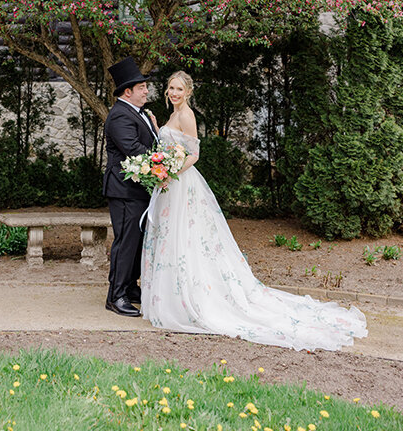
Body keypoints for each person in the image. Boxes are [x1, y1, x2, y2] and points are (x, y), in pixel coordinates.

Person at [141, 71, 368, 351]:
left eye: (179, 89)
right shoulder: (172, 114)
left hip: (180, 183)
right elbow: (169, 145)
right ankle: (169, 298)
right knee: (171, 240)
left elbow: (194, 154)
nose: (174, 93)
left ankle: (190, 299)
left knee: (185, 241)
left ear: (187, 92)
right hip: (169, 186)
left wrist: (171, 172)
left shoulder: (187, 115)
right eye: (171, 88)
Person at [103, 56, 158, 317]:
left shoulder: (138, 113)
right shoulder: (119, 117)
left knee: (137, 242)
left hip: (139, 189)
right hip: (124, 190)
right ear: (128, 91)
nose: (146, 90)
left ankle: (130, 286)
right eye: (142, 87)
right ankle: (116, 296)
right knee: (125, 242)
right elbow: (134, 150)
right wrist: (162, 163)